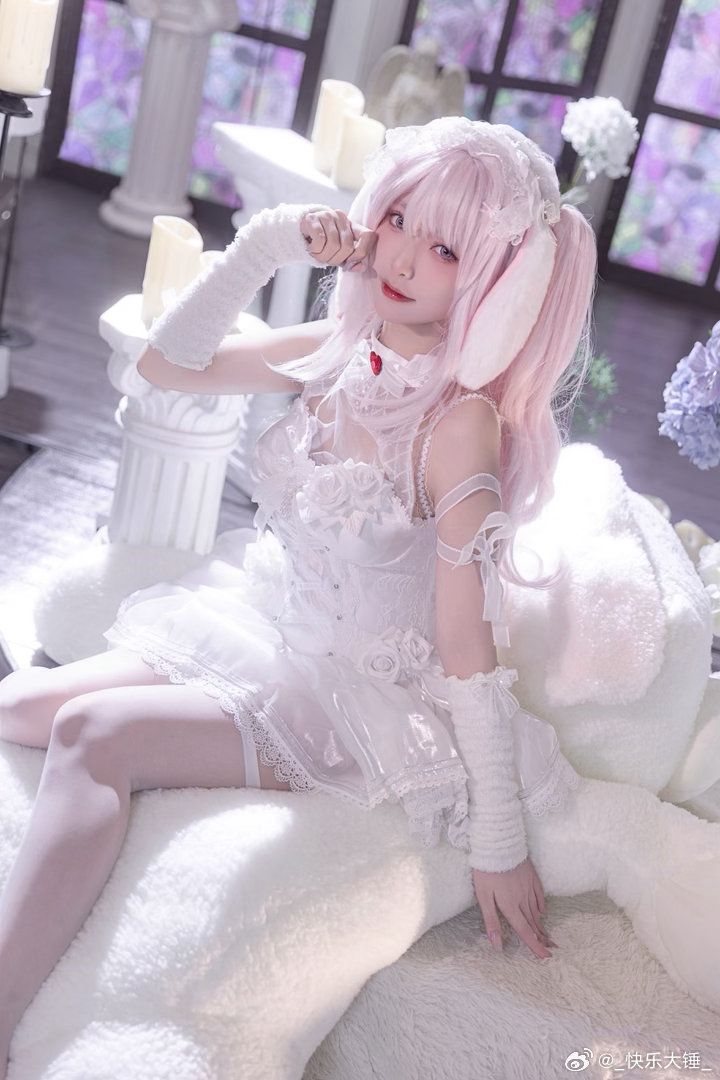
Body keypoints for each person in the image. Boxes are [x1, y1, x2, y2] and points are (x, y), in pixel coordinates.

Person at [0, 117, 716, 1075]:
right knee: (21, 705)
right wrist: (266, 247)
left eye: (448, 248)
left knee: (97, 736)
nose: (406, 256)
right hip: (270, 626)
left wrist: (498, 834)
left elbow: (465, 639)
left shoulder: (461, 426)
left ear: (494, 285)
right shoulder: (346, 348)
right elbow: (164, 366)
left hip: (359, 697)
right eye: (401, 219)